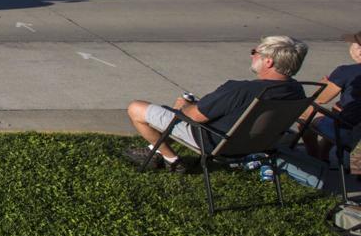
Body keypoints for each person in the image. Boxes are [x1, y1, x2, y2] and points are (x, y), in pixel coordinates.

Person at [125, 35, 308, 173]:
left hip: (213, 141)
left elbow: (195, 116)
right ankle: (154, 150)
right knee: (182, 110)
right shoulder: (296, 90)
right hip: (256, 145)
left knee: (137, 108)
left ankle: (171, 160)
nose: (252, 56)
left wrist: (184, 105)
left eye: (255, 52)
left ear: (268, 61)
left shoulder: (241, 89)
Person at [300, 31, 361, 163]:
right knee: (338, 109)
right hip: (356, 133)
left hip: (350, 136)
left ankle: (315, 161)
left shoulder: (347, 71)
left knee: (305, 111)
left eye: (354, 45)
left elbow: (321, 98)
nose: (350, 47)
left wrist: (322, 85)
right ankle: (324, 155)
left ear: (359, 51)